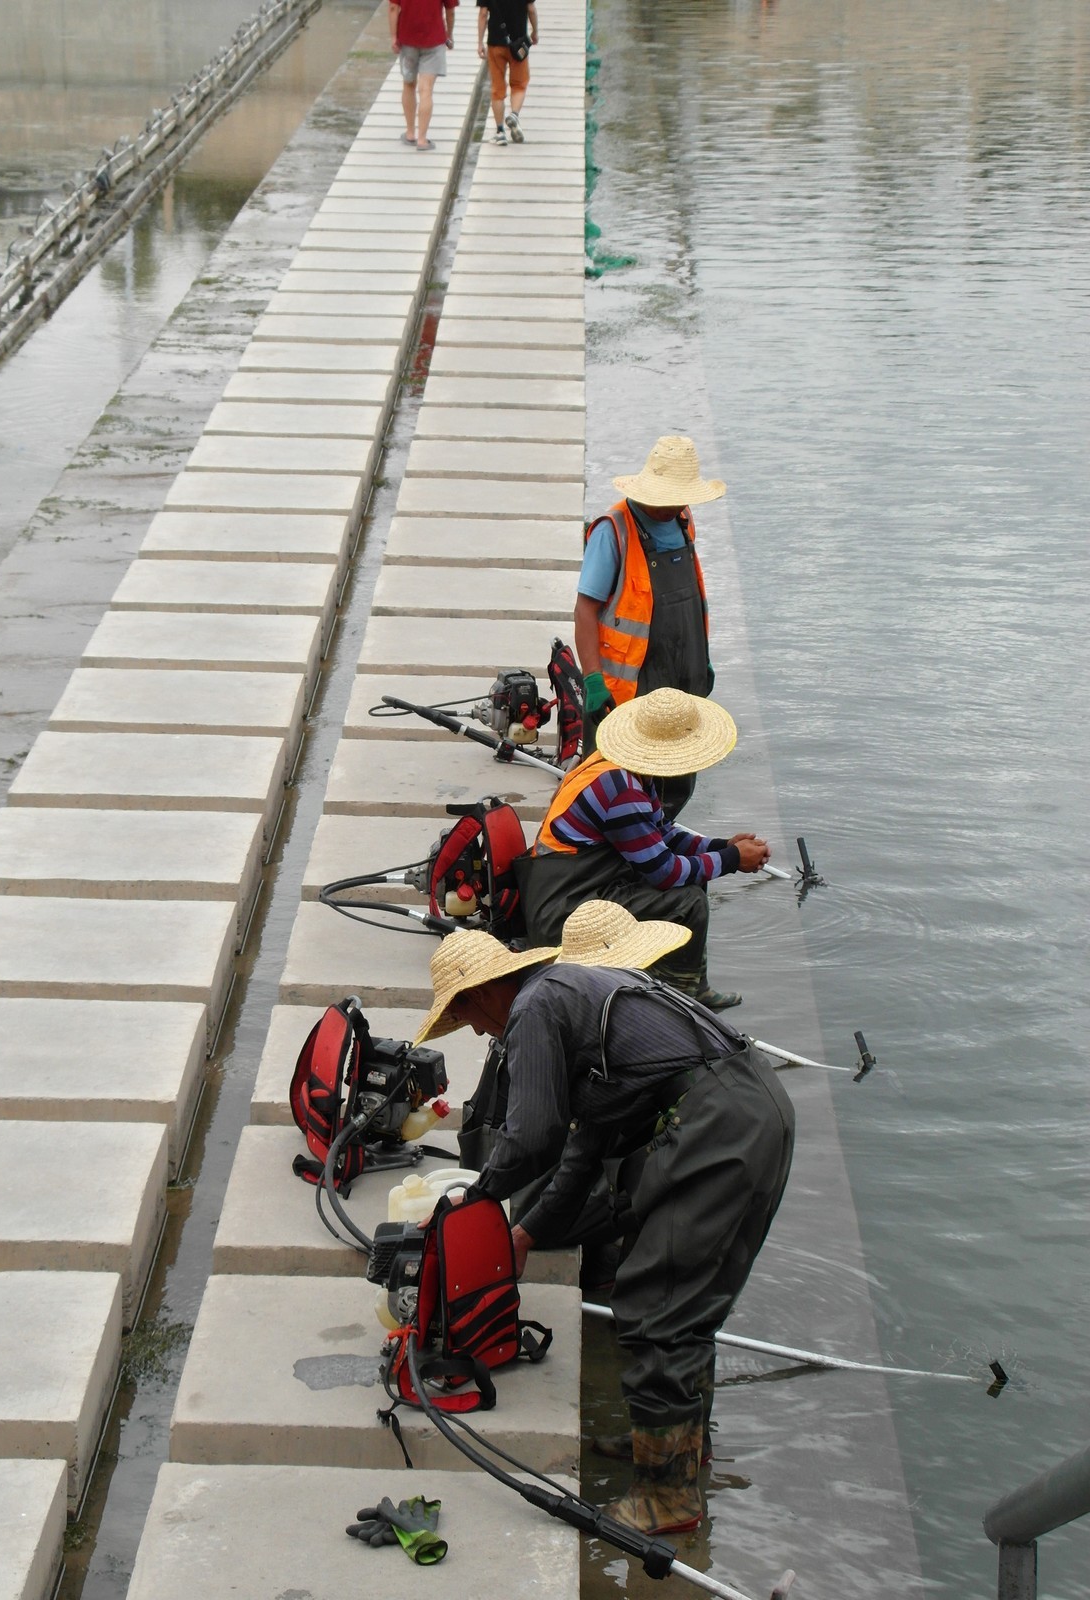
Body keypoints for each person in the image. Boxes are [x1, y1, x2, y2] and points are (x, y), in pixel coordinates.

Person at [413, 912, 796, 1537]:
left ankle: (667, 1497)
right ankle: (673, 1449)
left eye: (470, 1017)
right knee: (686, 1300)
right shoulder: (576, 1001)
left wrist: (476, 1197)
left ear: (482, 991)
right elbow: (580, 1152)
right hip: (754, 1106)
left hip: (719, 1125)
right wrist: (525, 1233)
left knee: (656, 1301)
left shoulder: (535, 1006)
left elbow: (532, 1137)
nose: (479, 1031)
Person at [518, 687, 770, 1010]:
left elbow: (663, 834)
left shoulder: (624, 769)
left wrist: (723, 846)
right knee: (689, 901)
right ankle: (679, 999)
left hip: (578, 887)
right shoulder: (621, 790)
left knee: (697, 875)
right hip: (562, 911)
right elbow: (666, 872)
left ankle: (691, 983)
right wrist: (733, 859)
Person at [576, 434, 724, 816]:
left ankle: (662, 858)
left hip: (681, 690)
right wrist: (592, 680)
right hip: (625, 695)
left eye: (676, 497)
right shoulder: (614, 532)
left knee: (673, 790)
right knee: (615, 798)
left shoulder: (683, 521)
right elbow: (585, 609)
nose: (669, 506)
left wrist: (701, 662)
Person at [390, 0, 458, 152]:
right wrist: (449, 34)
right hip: (434, 39)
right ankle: (422, 139)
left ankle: (410, 133)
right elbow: (451, 10)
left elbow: (393, 7)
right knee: (426, 89)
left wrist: (394, 36)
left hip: (407, 38)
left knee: (408, 84)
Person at [477, 0, 538, 145]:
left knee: (497, 88)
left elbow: (483, 14)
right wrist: (535, 31)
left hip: (495, 42)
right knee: (519, 84)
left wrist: (480, 42)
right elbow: (531, 9)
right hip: (518, 43)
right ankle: (514, 115)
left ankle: (500, 132)